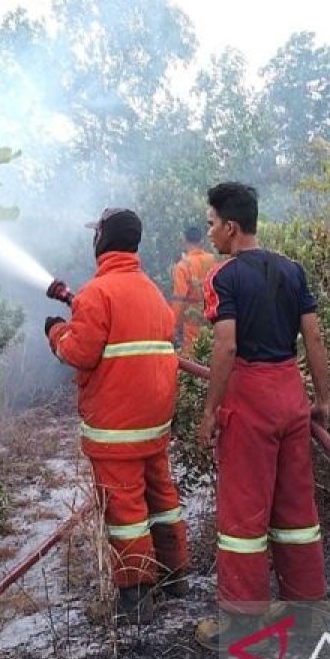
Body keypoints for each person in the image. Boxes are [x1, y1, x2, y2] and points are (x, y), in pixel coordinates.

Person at [192, 182, 330, 650]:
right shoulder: (292, 270)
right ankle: (305, 608)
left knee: (243, 517)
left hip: (249, 400)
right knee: (296, 510)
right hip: (291, 395)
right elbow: (313, 339)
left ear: (231, 227)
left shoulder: (224, 277)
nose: (210, 233)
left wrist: (211, 410)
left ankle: (242, 620)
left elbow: (227, 344)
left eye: (212, 224)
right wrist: (323, 400)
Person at [45, 207, 190, 622]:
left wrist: (56, 331)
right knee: (162, 497)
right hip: (153, 424)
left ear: (102, 240)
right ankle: (176, 577)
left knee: (125, 511)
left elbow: (79, 352)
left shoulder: (98, 292)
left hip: (116, 428)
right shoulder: (150, 291)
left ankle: (138, 597)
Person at [170, 226, 217, 356]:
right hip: (213, 321)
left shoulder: (183, 266)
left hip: (192, 323)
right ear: (202, 241)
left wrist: (173, 327)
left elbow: (179, 299)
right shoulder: (214, 261)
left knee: (192, 363)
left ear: (184, 240)